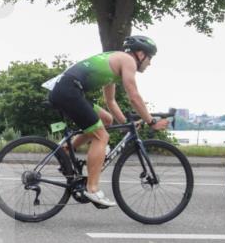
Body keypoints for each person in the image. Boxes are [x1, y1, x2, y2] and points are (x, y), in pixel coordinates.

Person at [47, 35, 170, 208]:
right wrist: (151, 122)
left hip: (67, 89)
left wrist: (125, 123)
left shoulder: (115, 63)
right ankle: (92, 188)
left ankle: (66, 151)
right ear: (141, 54)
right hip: (69, 91)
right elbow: (134, 97)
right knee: (101, 137)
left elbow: (110, 101)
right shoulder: (128, 61)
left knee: (106, 119)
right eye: (150, 58)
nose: (150, 63)